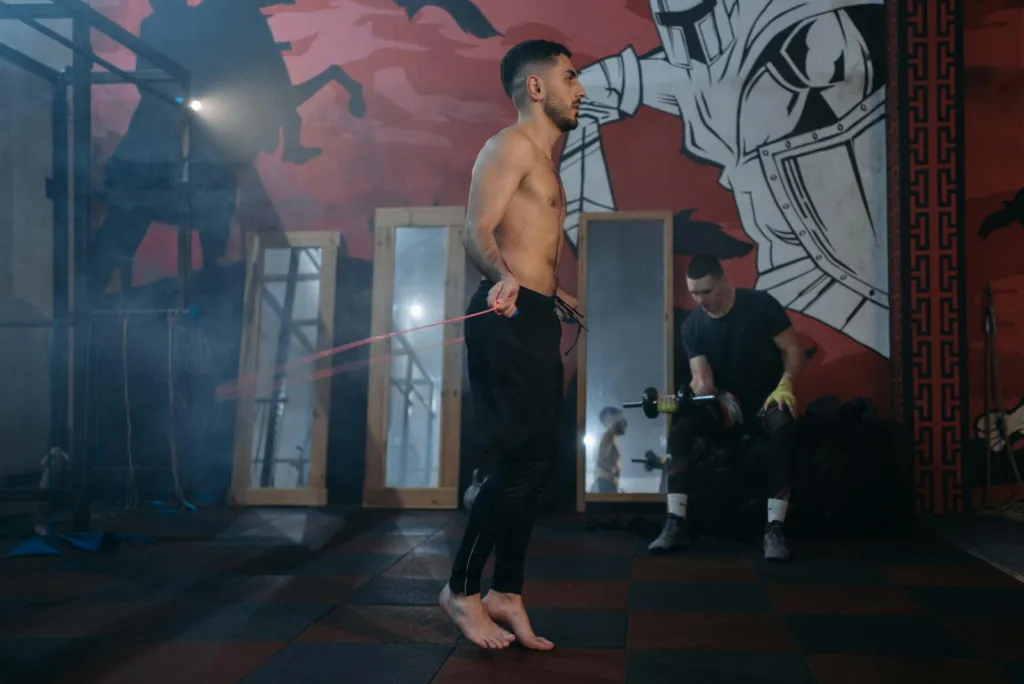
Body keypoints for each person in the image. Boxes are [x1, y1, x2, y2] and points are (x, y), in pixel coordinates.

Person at [438, 39, 586, 651]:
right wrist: (505, 278)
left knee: (537, 466)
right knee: (513, 464)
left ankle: (509, 592)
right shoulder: (508, 148)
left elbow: (533, 246)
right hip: (503, 314)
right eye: (570, 77)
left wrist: (556, 296)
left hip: (534, 315)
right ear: (536, 88)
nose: (581, 89)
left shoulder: (546, 164)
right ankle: (462, 589)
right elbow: (476, 227)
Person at [649, 254, 804, 562]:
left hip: (766, 400)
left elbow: (794, 349)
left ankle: (774, 528)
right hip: (728, 405)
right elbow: (702, 382)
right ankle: (675, 521)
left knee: (783, 427)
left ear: (723, 281)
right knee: (682, 425)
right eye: (693, 292)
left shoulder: (760, 305)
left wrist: (786, 384)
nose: (699, 299)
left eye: (705, 291)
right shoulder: (693, 325)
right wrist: (678, 401)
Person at [593, 406, 627, 493]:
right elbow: (601, 459)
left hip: (607, 483)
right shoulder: (608, 437)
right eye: (620, 418)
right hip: (605, 483)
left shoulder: (611, 437)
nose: (624, 422)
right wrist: (612, 471)